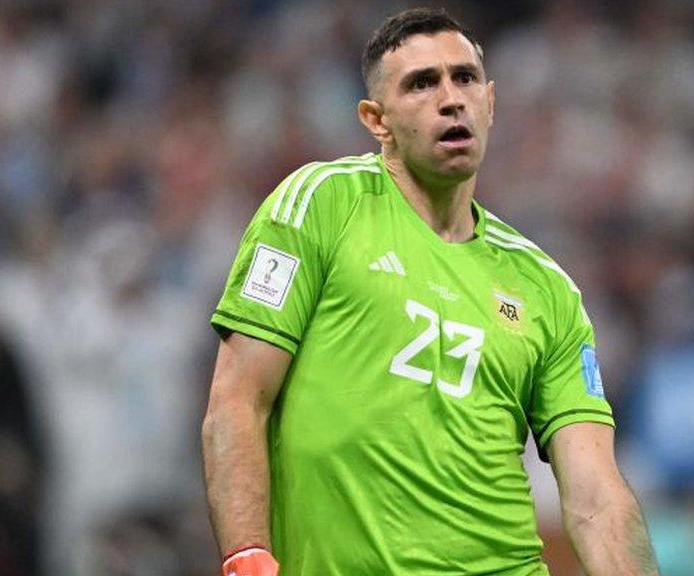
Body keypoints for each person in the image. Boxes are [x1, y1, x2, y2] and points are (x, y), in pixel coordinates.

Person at [202, 7, 658, 575]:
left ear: (490, 103)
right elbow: (238, 400)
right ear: (377, 119)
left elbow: (596, 497)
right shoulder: (320, 205)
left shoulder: (547, 288)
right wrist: (246, 555)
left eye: (464, 78)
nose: (451, 99)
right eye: (421, 84)